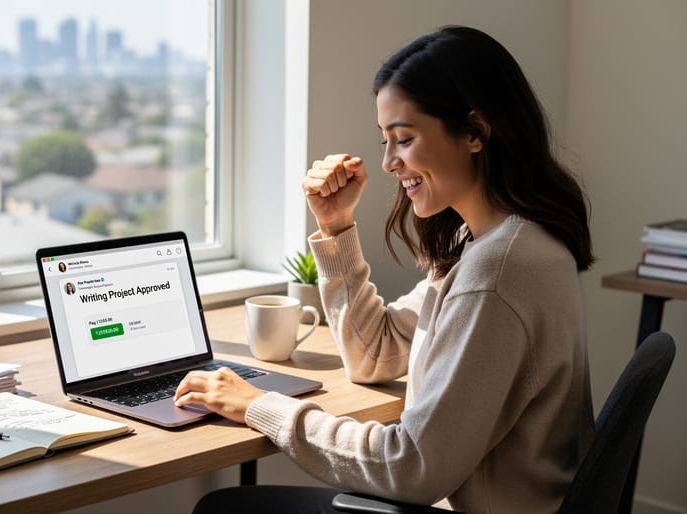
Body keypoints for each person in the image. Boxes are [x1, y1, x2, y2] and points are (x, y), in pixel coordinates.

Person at [174, 25, 595, 513]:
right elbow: (376, 354)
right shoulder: (492, 242)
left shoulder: (497, 273)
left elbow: (411, 466)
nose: (390, 162)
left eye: (404, 139)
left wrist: (259, 406)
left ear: (475, 133)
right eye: (384, 140)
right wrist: (335, 227)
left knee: (228, 508)